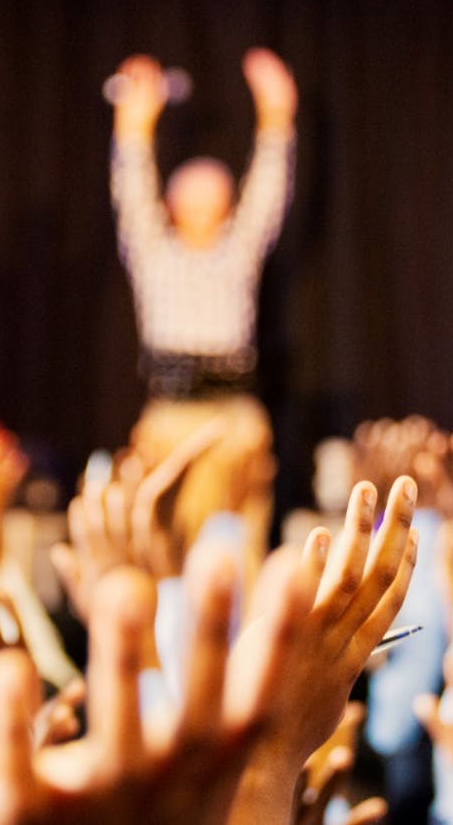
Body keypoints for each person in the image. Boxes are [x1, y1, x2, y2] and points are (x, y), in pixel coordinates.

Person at [108, 47, 297, 558]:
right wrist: (134, 123)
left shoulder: (237, 252)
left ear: (227, 203)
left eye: (215, 195)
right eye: (191, 196)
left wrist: (277, 114)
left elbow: (269, 193)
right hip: (171, 414)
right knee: (168, 543)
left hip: (233, 415)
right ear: (171, 205)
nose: (203, 205)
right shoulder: (154, 252)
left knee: (237, 548)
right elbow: (131, 188)